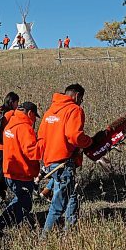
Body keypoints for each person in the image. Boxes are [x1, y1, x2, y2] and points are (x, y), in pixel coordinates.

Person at [38, 84, 92, 235]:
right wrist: (89, 142)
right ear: (76, 96)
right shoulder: (74, 109)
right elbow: (74, 136)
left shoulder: (49, 112)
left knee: (72, 194)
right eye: (81, 98)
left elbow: (41, 137)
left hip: (50, 163)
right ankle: (45, 239)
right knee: (58, 205)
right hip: (63, 163)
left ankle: (70, 229)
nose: (81, 102)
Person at [0, 102, 42, 237]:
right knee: (24, 203)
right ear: (30, 113)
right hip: (21, 171)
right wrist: (43, 144)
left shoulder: (11, 124)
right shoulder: (24, 128)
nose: (35, 120)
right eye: (34, 117)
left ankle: (19, 227)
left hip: (10, 170)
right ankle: (0, 222)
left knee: (20, 200)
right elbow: (31, 152)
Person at [0, 92, 19, 207]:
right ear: (12, 102)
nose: (17, 105)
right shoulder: (11, 113)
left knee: (1, 171)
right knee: (2, 173)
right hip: (3, 146)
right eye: (17, 102)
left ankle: (0, 196)